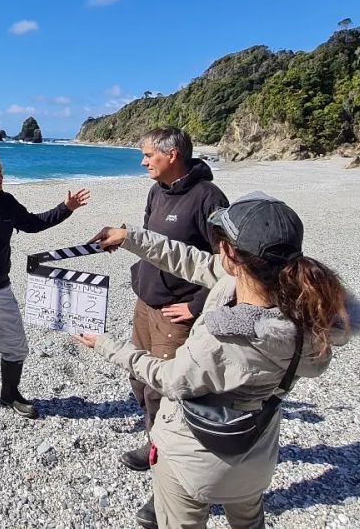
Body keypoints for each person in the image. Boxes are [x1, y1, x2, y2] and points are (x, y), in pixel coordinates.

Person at [77, 192, 360, 528]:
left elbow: (170, 379)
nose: (215, 250)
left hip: (194, 460)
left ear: (229, 253)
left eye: (220, 243)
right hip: (255, 454)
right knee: (248, 519)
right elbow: (189, 260)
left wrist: (106, 346)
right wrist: (131, 237)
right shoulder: (301, 312)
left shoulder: (222, 338)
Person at [0, 151, 90, 419]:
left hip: (2, 288)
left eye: (0, 172)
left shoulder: (6, 203)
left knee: (16, 346)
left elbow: (33, 223)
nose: (0, 177)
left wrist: (66, 208)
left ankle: (10, 394)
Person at [122, 127, 228, 471]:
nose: (142, 162)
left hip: (176, 311)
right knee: (138, 375)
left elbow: (228, 264)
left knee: (167, 388)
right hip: (146, 302)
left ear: (172, 156)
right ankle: (155, 439)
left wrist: (196, 305)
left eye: (148, 155)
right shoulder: (156, 192)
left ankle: (167, 458)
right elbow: (149, 240)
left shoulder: (209, 197)